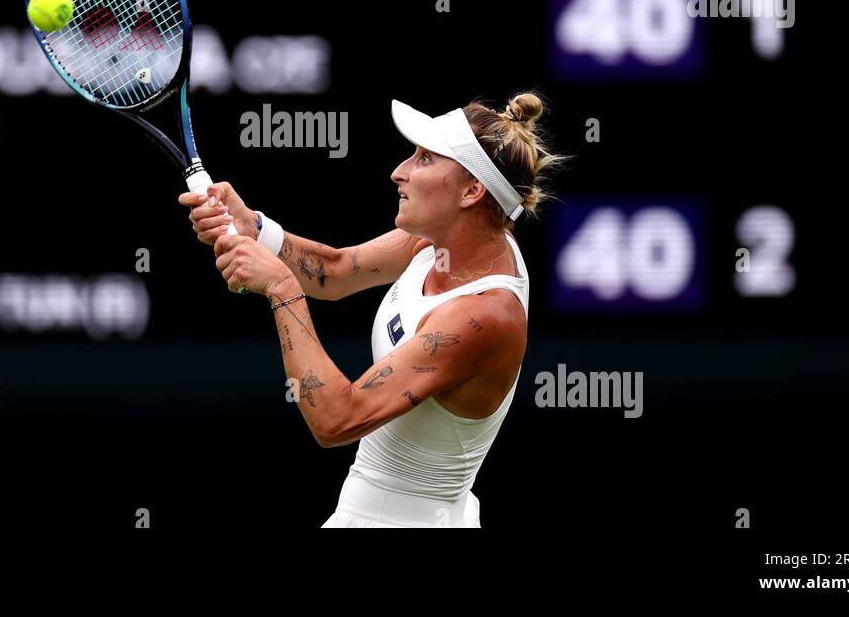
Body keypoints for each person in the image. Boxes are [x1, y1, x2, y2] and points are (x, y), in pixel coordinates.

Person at [179, 93, 568, 527]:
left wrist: (282, 288)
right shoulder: (448, 240)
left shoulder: (484, 317)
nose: (398, 172)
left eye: (423, 159)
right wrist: (253, 225)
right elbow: (337, 270)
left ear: (472, 191)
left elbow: (336, 419)